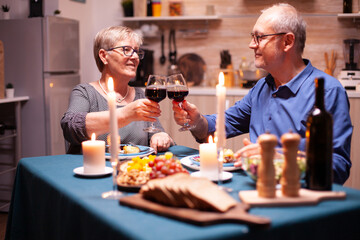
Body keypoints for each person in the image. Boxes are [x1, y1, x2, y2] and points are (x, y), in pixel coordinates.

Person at [172, 3, 353, 184]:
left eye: (259, 37)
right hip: (253, 186)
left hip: (296, 195)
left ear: (287, 42)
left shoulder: (328, 92)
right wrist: (196, 121)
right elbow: (217, 127)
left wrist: (280, 158)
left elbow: (338, 167)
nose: (251, 45)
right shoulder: (262, 87)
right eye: (253, 37)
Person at [61, 26, 174, 154]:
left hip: (132, 171)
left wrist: (160, 136)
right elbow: (70, 127)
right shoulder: (85, 92)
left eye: (136, 51)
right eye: (126, 50)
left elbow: (157, 131)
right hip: (95, 171)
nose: (135, 57)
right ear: (104, 56)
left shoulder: (139, 95)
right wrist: (125, 114)